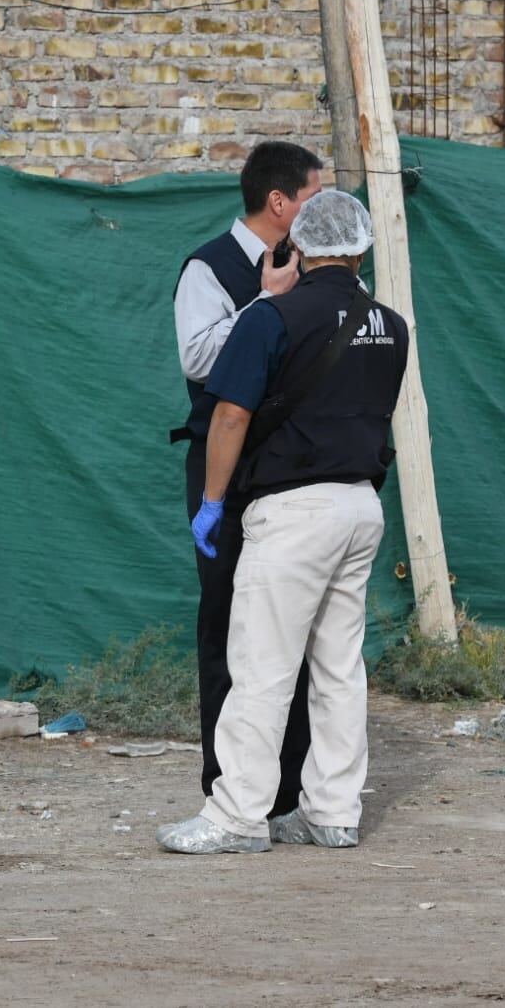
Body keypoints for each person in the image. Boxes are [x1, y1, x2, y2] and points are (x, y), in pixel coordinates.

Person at [157, 190, 408, 855]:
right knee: (337, 669)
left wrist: (213, 501)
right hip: (360, 504)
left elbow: (231, 415)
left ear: (299, 241)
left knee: (260, 667)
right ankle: (331, 812)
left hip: (292, 510)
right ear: (359, 246)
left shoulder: (271, 317)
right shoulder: (390, 323)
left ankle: (237, 816)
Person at [172, 141, 323, 823]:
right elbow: (201, 359)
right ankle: (229, 789)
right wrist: (263, 304)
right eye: (316, 196)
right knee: (228, 628)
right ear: (279, 202)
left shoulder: (315, 268)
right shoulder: (210, 267)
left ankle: (291, 791)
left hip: (290, 471)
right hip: (223, 474)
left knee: (292, 630)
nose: (327, 211)